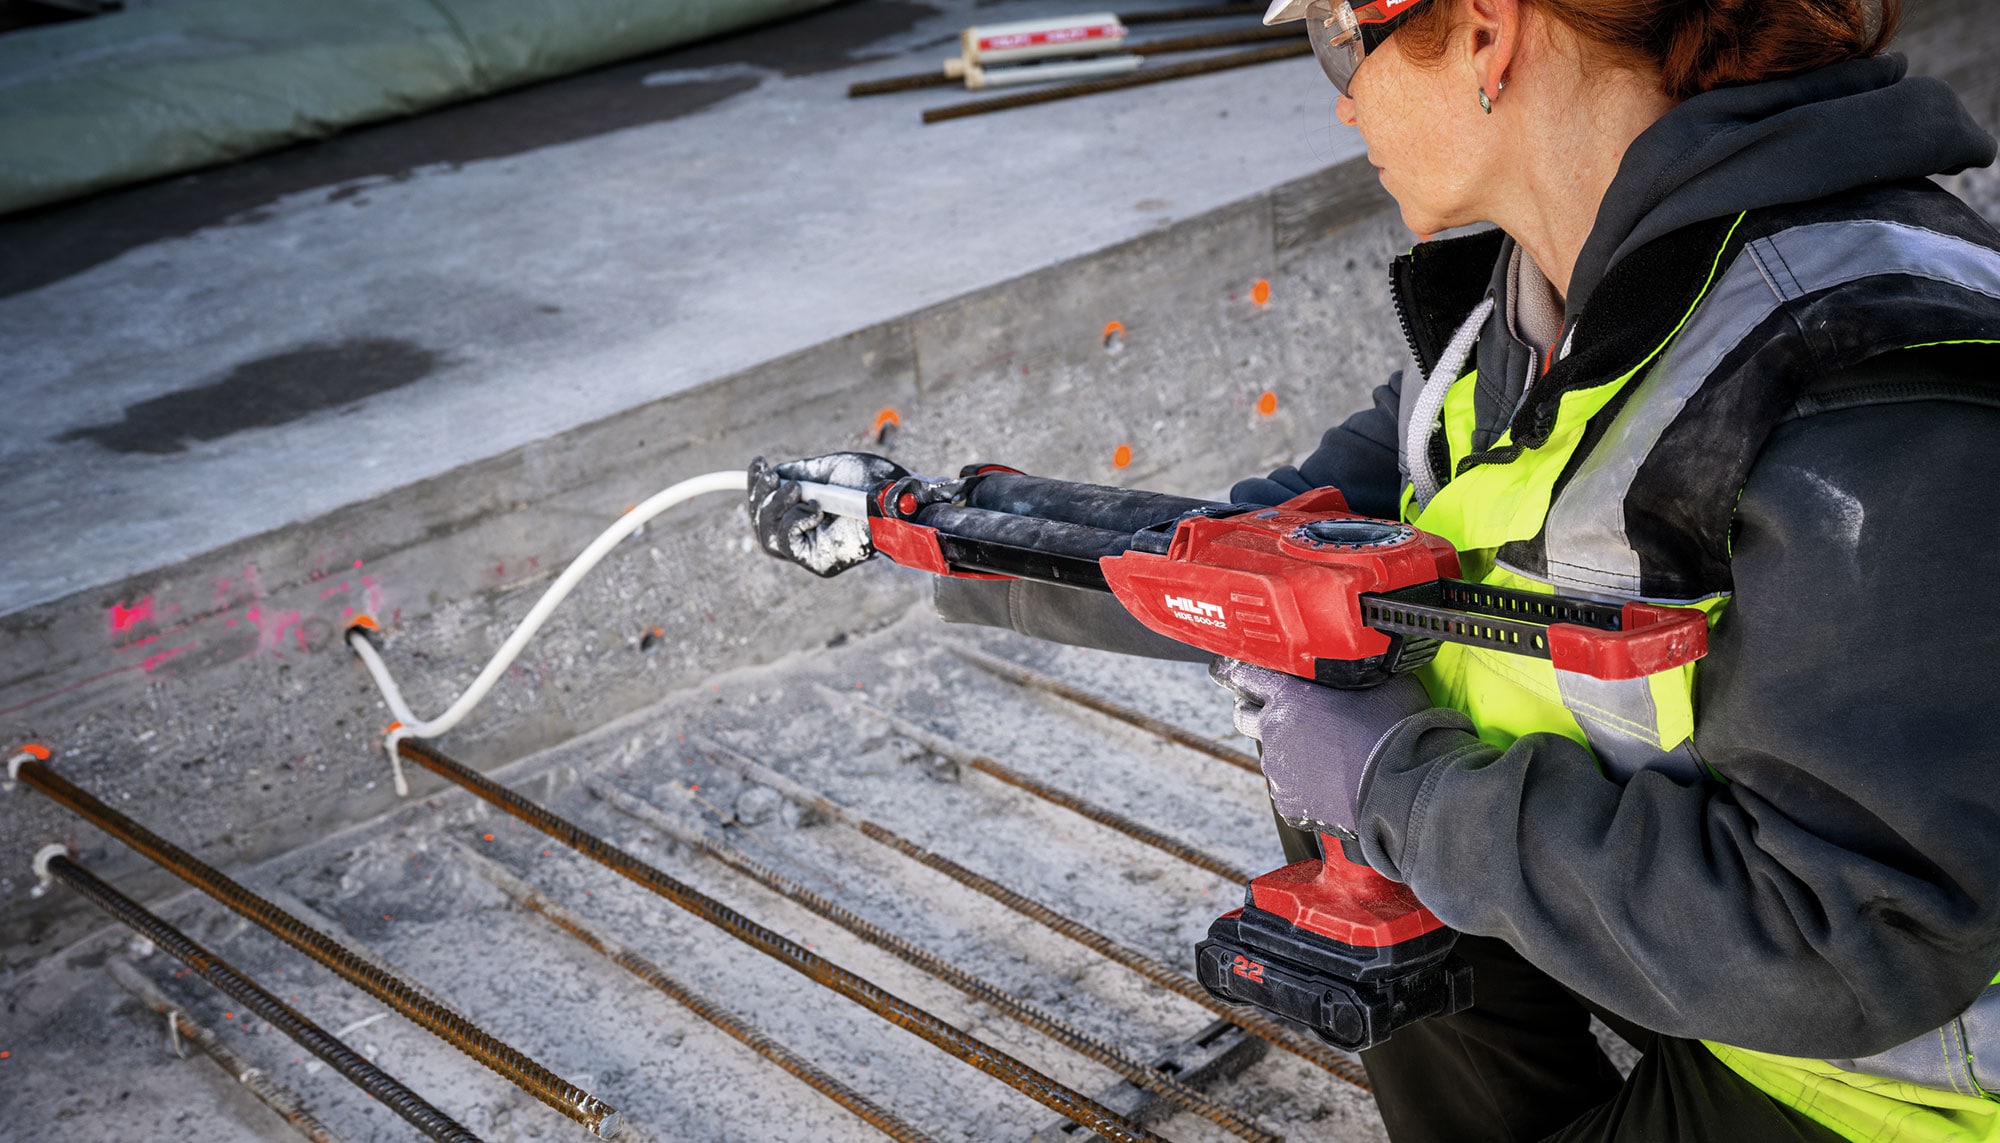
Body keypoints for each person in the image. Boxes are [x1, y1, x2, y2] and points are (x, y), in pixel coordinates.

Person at [750, 0, 2000, 1138]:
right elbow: (1254, 558)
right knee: (1329, 677)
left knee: (1363, 755)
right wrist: (933, 529)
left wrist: (1398, 789)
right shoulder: (1540, 303)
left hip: (1888, 1089)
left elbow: (1860, 938)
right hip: (1709, 968)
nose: (1340, 102)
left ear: (1483, 34)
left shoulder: (1865, 389)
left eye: (1334, 41)